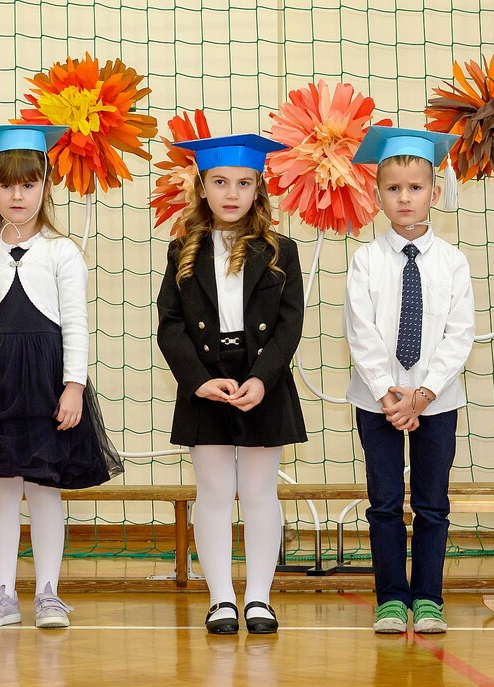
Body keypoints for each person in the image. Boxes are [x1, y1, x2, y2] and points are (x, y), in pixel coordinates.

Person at [0, 124, 122, 629]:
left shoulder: (63, 252)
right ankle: (1, 594)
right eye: (5, 185)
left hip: (46, 383)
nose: (16, 195)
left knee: (44, 488)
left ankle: (48, 593)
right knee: (1, 486)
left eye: (28, 184)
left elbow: (76, 323)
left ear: (46, 184)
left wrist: (74, 386)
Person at [156, 134, 307, 635]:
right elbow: (169, 325)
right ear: (202, 187)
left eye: (244, 183)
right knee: (215, 492)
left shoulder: (281, 250)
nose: (231, 193)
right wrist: (198, 382)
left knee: (260, 492)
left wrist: (263, 379)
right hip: (206, 379)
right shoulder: (182, 250)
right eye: (220, 182)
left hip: (263, 377)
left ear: (258, 188)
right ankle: (221, 599)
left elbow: (290, 324)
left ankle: (259, 598)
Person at [346, 125, 475, 634]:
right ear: (378, 195)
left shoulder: (453, 262)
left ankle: (427, 599)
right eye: (394, 188)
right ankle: (391, 600)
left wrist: (421, 395)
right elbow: (360, 331)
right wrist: (388, 392)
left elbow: (459, 334)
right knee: (383, 504)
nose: (405, 198)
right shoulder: (365, 260)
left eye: (415, 187)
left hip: (436, 403)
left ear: (433, 193)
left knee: (432, 505)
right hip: (376, 401)